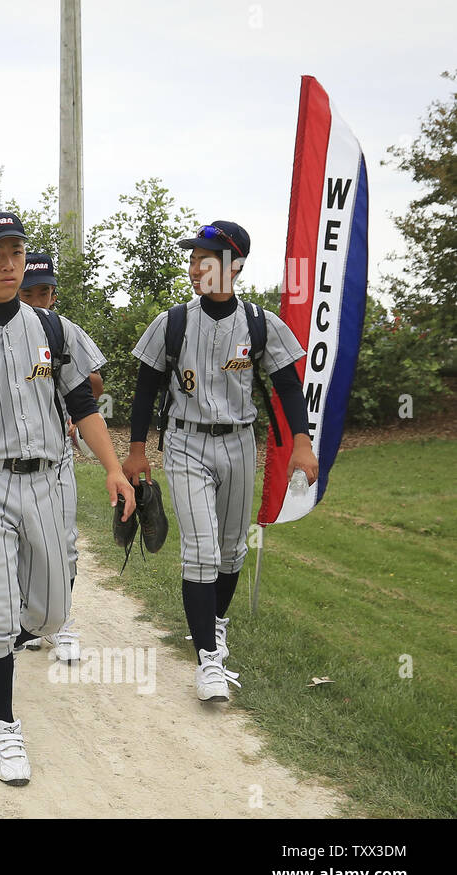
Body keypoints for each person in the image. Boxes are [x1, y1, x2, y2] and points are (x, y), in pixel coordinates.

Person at [0, 211, 134, 786]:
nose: (8, 263)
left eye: (15, 252)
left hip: (50, 480)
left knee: (52, 612)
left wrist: (112, 467)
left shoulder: (52, 330)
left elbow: (83, 406)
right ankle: (4, 725)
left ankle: (17, 634)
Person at [121, 220, 318, 701]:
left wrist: (302, 441)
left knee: (232, 552)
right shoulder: (173, 322)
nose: (193, 268)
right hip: (186, 444)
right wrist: (137, 450)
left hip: (239, 443)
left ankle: (215, 626)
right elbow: (147, 387)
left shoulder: (259, 323)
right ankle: (209, 662)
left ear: (234, 265)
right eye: (191, 259)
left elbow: (288, 385)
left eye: (204, 259)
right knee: (203, 551)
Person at [14, 252, 105, 663]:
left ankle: (62, 620)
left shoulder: (62, 329)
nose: (37, 299)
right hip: (7, 458)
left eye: (45, 291)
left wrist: (71, 410)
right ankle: (30, 620)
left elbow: (94, 381)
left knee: (63, 543)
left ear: (54, 293)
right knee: (22, 543)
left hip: (56, 457)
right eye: (28, 291)